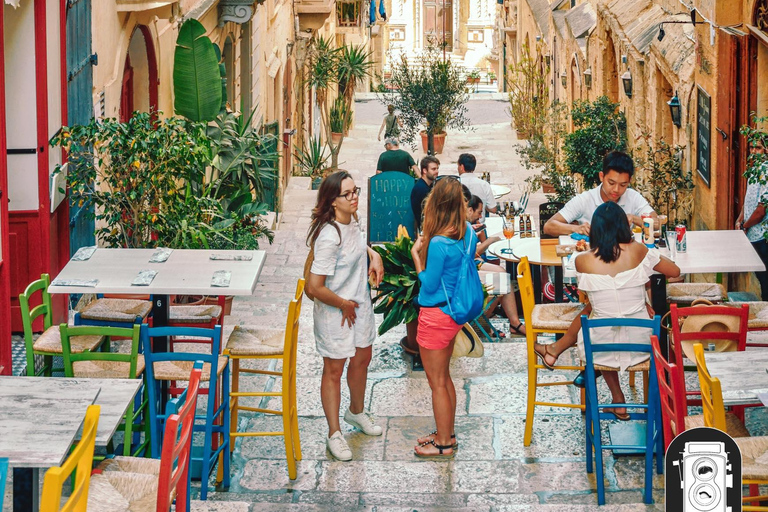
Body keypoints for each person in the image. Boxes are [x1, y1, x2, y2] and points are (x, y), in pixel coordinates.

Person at [533, 202, 679, 419]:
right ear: (624, 226)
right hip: (642, 344)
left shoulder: (582, 261)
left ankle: (617, 398)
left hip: (600, 348)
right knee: (604, 312)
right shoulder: (639, 251)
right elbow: (675, 271)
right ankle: (654, 406)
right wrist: (646, 268)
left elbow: (594, 297)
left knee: (596, 314)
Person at [305, 171, 386, 461]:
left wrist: (373, 255)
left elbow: (357, 243)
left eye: (356, 191)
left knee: (363, 357)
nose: (355, 198)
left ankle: (356, 412)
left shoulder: (353, 220)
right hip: (336, 312)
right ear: (332, 201)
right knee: (334, 370)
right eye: (348, 194)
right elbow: (314, 287)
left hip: (358, 305)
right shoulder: (328, 236)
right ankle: (334, 433)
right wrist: (343, 304)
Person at [410, 178, 478, 458]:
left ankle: (444, 445)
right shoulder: (469, 233)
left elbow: (428, 282)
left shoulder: (438, 243)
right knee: (445, 378)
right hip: (454, 315)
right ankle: (445, 432)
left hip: (436, 314)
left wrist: (416, 255)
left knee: (436, 382)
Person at [543, 151, 656, 237]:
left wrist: (633, 218)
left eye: (623, 185)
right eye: (611, 183)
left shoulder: (633, 197)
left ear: (630, 181)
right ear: (601, 176)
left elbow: (657, 224)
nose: (616, 189)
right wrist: (576, 229)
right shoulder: (585, 200)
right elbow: (549, 226)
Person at [467, 195, 526, 336]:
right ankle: (481, 323)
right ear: (469, 210)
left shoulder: (467, 225)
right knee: (502, 279)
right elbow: (471, 253)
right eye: (479, 212)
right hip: (466, 269)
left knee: (503, 273)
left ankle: (514, 323)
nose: (481, 216)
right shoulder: (461, 227)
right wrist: (489, 241)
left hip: (471, 264)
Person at [736, 142, 768, 300]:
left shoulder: (766, 172)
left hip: (762, 236)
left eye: (758, 148)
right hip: (752, 235)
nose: (754, 151)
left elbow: (761, 210)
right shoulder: (755, 169)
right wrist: (741, 217)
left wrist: (744, 225)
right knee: (762, 277)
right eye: (751, 148)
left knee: (765, 279)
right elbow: (749, 198)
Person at [410, 155, 440, 233]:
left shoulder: (429, 185)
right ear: (424, 171)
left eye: (437, 168)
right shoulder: (421, 189)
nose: (437, 171)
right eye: (433, 169)